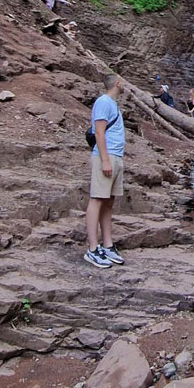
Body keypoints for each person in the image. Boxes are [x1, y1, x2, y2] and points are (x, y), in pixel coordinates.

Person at [84, 74, 126, 269]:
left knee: (108, 201)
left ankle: (107, 245)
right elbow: (99, 131)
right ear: (117, 83)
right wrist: (105, 160)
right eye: (123, 81)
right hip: (106, 156)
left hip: (116, 156)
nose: (125, 84)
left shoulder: (113, 104)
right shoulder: (103, 101)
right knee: (97, 199)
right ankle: (92, 249)